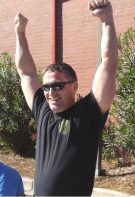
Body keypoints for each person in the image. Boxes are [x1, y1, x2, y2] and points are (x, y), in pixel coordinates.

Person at [14, 0, 117, 196]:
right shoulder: (43, 110)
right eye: (47, 87)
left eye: (58, 86)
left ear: (74, 86)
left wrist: (107, 21)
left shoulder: (89, 113)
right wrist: (20, 33)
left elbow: (108, 64)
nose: (51, 92)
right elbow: (26, 72)